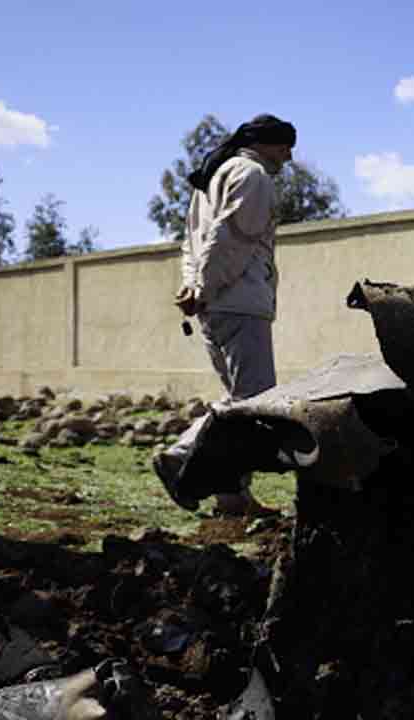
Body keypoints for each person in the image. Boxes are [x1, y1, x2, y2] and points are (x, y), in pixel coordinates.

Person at [156, 113, 296, 517]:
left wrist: (194, 286)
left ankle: (232, 496)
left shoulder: (210, 179)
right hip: (238, 301)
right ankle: (182, 457)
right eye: (285, 146)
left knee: (238, 398)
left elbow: (192, 243)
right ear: (267, 143)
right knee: (253, 401)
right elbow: (228, 241)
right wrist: (204, 287)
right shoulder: (252, 175)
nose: (287, 157)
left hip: (217, 303)